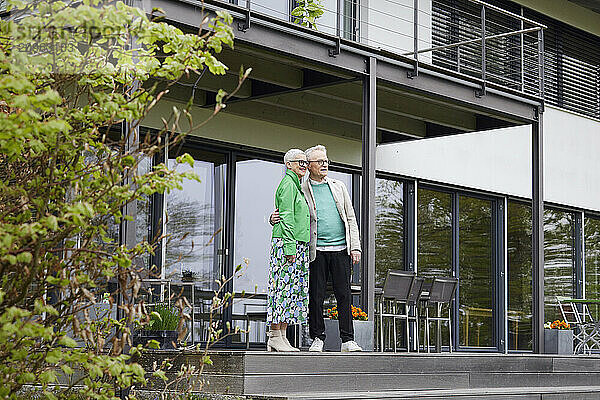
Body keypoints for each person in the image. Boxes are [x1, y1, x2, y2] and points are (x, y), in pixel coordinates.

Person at [271, 145, 363, 352]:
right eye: (319, 161)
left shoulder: (339, 186)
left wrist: (355, 247)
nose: (324, 164)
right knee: (316, 296)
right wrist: (272, 218)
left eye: (326, 160)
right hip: (316, 250)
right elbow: (288, 211)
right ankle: (317, 339)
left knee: (344, 295)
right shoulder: (299, 187)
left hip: (341, 249)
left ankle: (348, 340)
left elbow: (350, 217)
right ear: (310, 166)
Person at [267, 148, 311, 352]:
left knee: (291, 292)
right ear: (289, 164)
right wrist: (290, 247)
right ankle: (275, 335)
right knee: (282, 290)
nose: (303, 165)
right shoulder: (288, 185)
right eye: (299, 162)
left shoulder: (297, 185)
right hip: (288, 244)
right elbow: (286, 217)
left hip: (296, 244)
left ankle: (282, 336)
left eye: (305, 162)